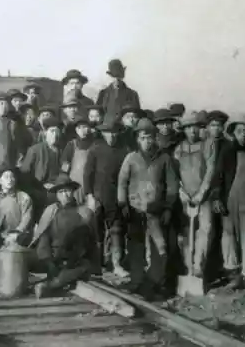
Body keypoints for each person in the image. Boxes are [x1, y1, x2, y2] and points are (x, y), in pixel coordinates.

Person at [118, 118, 179, 299]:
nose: (147, 141)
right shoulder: (131, 158)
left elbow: (172, 185)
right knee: (136, 246)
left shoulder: (164, 158)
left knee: (159, 246)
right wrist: (123, 204)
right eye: (143, 137)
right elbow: (122, 183)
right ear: (138, 139)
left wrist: (168, 208)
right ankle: (137, 281)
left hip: (156, 210)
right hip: (135, 209)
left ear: (155, 138)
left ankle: (156, 283)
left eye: (150, 137)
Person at [211, 115, 245, 295]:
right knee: (229, 239)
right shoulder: (226, 151)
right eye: (239, 131)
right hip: (229, 202)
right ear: (234, 133)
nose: (243, 135)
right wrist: (217, 198)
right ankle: (234, 276)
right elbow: (217, 176)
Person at [30, 175, 99, 298]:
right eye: (61, 192)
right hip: (52, 257)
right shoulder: (51, 211)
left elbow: (86, 242)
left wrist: (72, 260)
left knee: (84, 268)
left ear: (73, 192)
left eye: (67, 191)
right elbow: (44, 238)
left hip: (73, 259)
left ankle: (50, 286)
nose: (65, 195)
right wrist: (48, 261)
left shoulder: (83, 212)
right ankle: (53, 282)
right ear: (57, 195)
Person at [173, 112, 217, 281]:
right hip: (185, 197)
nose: (193, 131)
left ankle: (199, 266)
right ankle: (187, 265)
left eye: (196, 127)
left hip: (203, 197)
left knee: (205, 230)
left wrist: (201, 193)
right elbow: (174, 174)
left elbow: (210, 171)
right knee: (184, 232)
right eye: (189, 128)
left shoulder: (208, 146)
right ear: (184, 129)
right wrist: (182, 192)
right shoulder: (179, 149)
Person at [84, 120, 130, 277]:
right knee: (97, 231)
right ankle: (97, 264)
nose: (112, 136)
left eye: (115, 132)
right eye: (108, 132)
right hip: (97, 196)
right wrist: (89, 195)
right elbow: (87, 174)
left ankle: (116, 264)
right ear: (103, 133)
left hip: (116, 197)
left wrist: (123, 199)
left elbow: (127, 177)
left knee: (117, 230)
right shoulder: (95, 150)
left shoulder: (124, 151)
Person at [0, 167, 34, 266]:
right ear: (0, 181)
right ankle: (2, 256)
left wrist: (16, 233)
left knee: (19, 251)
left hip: (18, 237)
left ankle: (6, 257)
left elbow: (27, 219)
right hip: (0, 238)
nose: (10, 179)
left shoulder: (23, 197)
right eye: (6, 177)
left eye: (12, 177)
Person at [20, 118, 63, 218]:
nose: (55, 135)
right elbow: (25, 173)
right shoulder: (35, 150)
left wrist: (56, 185)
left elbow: (64, 171)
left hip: (56, 187)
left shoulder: (61, 151)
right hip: (38, 188)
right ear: (45, 133)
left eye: (57, 132)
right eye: (52, 131)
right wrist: (41, 185)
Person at [95, 59, 141, 124]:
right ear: (110, 76)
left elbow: (137, 115)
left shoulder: (132, 94)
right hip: (108, 129)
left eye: (119, 76)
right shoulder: (103, 93)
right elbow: (98, 114)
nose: (116, 79)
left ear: (123, 76)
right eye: (114, 76)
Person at [61, 117, 94, 204]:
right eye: (79, 128)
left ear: (89, 128)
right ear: (75, 130)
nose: (82, 130)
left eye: (85, 127)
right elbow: (65, 166)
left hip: (91, 185)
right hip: (75, 185)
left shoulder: (94, 145)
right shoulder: (71, 145)